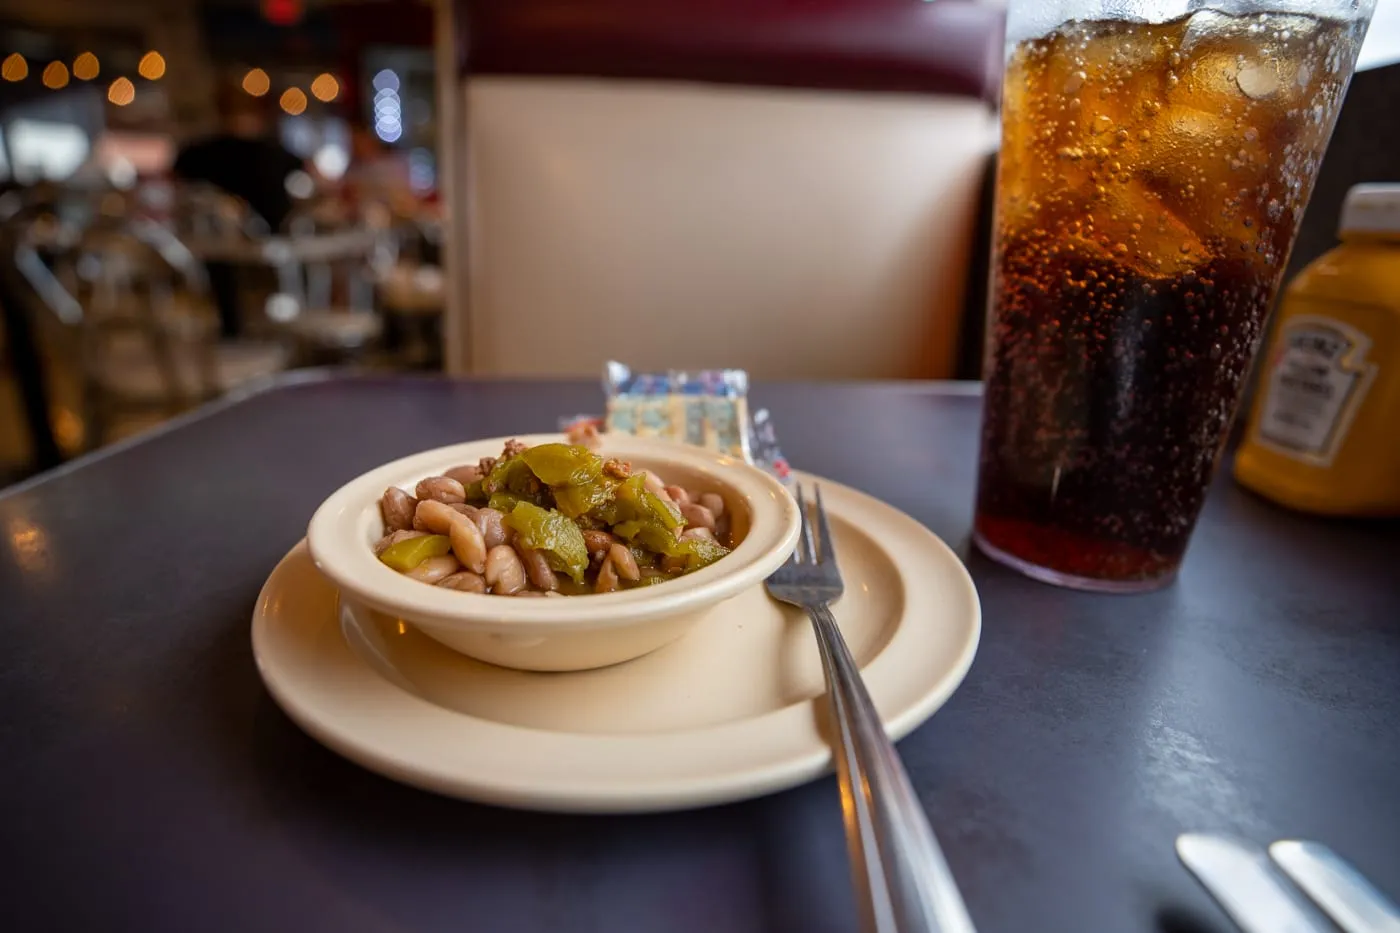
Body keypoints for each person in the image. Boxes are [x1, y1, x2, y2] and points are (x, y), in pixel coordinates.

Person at [172, 85, 305, 338]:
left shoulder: (197, 153)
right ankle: (286, 331)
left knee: (224, 272)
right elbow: (310, 182)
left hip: (217, 254)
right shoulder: (275, 152)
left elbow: (177, 185)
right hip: (272, 251)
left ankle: (233, 331)